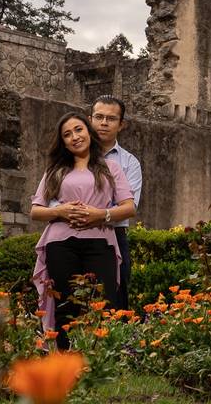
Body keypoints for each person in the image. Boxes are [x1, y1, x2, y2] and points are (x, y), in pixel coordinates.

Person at [30, 112, 135, 349]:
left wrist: (101, 215)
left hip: (100, 242)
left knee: (103, 303)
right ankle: (67, 361)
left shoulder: (111, 168)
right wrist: (62, 211)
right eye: (67, 134)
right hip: (60, 243)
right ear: (63, 142)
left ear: (89, 131)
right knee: (65, 304)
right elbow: (36, 211)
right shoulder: (56, 170)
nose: (75, 137)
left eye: (78, 130)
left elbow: (129, 208)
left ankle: (100, 362)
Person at [88, 95, 142, 310]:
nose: (103, 123)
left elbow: (130, 207)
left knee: (114, 307)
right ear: (89, 119)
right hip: (72, 236)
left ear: (121, 125)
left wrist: (98, 215)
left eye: (111, 118)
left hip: (113, 239)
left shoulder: (129, 163)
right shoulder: (70, 157)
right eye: (98, 117)